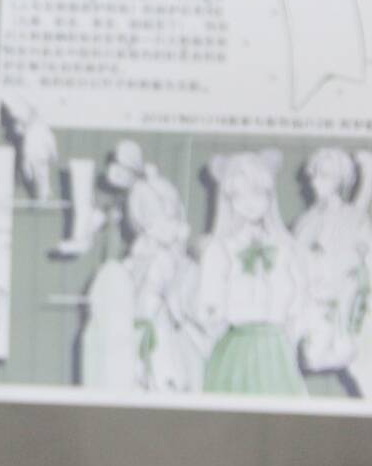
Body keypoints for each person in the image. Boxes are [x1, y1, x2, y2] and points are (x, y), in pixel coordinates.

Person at [198, 150, 307, 395]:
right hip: (237, 344)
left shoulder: (284, 247)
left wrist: (293, 327)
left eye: (257, 193)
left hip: (276, 347)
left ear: (270, 196)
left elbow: (297, 293)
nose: (249, 203)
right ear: (228, 199)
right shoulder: (220, 248)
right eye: (239, 195)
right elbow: (209, 303)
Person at [106, 141, 206, 392]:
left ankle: (157, 376)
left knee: (157, 330)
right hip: (155, 277)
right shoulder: (147, 192)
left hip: (158, 297)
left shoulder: (143, 193)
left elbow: (156, 226)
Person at [294, 149, 372, 390]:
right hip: (314, 301)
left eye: (325, 175)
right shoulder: (306, 221)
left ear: (341, 180)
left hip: (347, 302)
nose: (316, 181)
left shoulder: (354, 217)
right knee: (312, 355)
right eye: (314, 174)